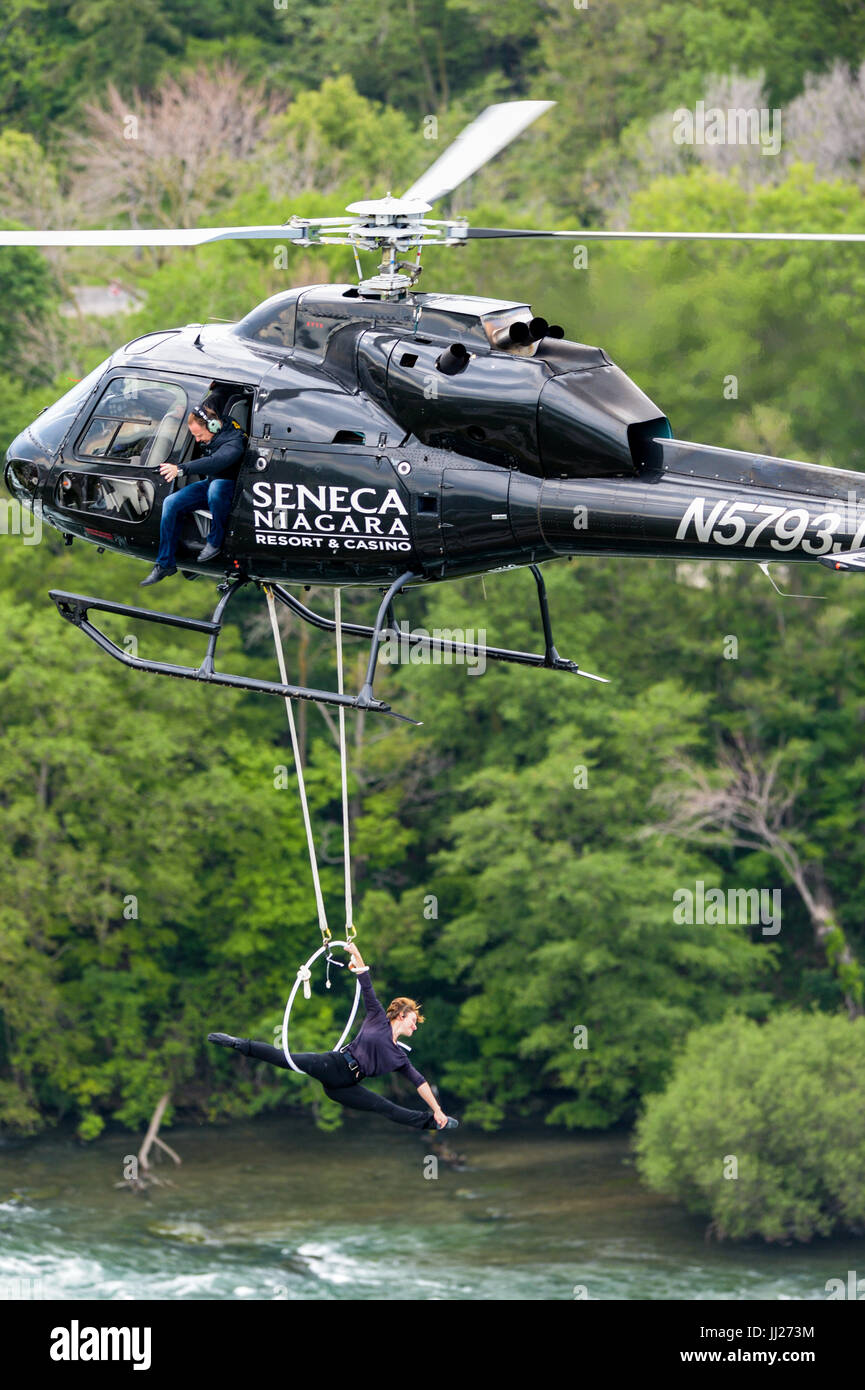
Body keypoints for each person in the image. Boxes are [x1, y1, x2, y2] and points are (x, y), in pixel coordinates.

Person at [208, 942, 459, 1130]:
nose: (415, 1028)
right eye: (414, 1022)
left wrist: (437, 1109)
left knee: (386, 1108)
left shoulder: (399, 1057)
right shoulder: (377, 1016)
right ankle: (238, 1043)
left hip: (346, 1087)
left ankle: (435, 1123)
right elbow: (365, 980)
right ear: (402, 1016)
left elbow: (420, 1082)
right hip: (335, 1065)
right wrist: (355, 951)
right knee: (288, 1059)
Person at [140, 404, 246, 586]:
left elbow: (215, 462)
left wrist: (181, 469)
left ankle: (215, 542)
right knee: (171, 502)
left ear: (212, 426)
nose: (197, 440)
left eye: (199, 435)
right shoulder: (214, 428)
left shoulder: (234, 441)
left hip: (232, 488)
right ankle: (165, 563)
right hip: (211, 483)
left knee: (216, 488)